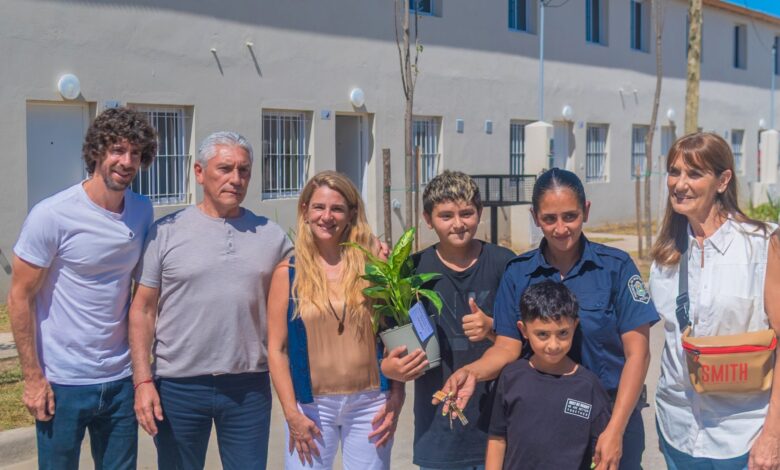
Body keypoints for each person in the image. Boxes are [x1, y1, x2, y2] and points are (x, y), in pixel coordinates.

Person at [438, 168, 659, 470]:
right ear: (535, 216)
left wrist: (615, 429)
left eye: (570, 216)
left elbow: (639, 354)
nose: (560, 228)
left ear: (586, 211)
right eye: (549, 219)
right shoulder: (519, 273)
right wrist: (472, 372)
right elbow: (507, 347)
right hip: (542, 422)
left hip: (610, 413)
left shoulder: (615, 268)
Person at [128, 131, 293, 469]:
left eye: (244, 170)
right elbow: (142, 311)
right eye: (225, 169)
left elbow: (316, 278)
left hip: (247, 388)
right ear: (199, 172)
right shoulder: (166, 232)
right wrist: (142, 380)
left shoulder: (272, 236)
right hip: (178, 387)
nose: (236, 179)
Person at [6, 107, 157, 469]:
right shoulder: (52, 215)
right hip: (63, 381)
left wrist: (141, 376)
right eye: (118, 150)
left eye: (135, 153)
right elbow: (19, 297)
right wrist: (32, 378)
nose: (126, 161)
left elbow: (145, 294)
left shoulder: (142, 210)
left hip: (119, 380)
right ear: (96, 152)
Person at [649, 132, 780, 469]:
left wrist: (773, 435)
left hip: (744, 434)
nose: (680, 184)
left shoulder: (763, 245)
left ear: (722, 180)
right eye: (674, 171)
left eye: (694, 174)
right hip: (677, 428)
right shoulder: (665, 255)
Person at [267, 171, 403, 470]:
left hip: (370, 403)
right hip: (313, 407)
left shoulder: (374, 266)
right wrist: (291, 413)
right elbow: (276, 350)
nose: (326, 216)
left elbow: (395, 333)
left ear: (351, 214)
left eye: (337, 208)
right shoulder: (288, 272)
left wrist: (397, 396)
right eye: (319, 207)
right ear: (305, 210)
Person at [380, 170, 514, 470]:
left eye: (467, 213)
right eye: (446, 215)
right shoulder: (411, 271)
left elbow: (526, 335)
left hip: (497, 422)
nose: (458, 223)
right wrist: (391, 368)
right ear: (428, 219)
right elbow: (390, 338)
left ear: (479, 212)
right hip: (438, 428)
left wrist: (492, 327)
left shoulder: (504, 263)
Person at [486, 281, 611, 470]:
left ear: (575, 326)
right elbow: (497, 439)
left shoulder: (589, 386)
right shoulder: (511, 377)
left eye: (562, 333)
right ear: (523, 330)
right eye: (542, 334)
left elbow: (603, 452)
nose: (553, 345)